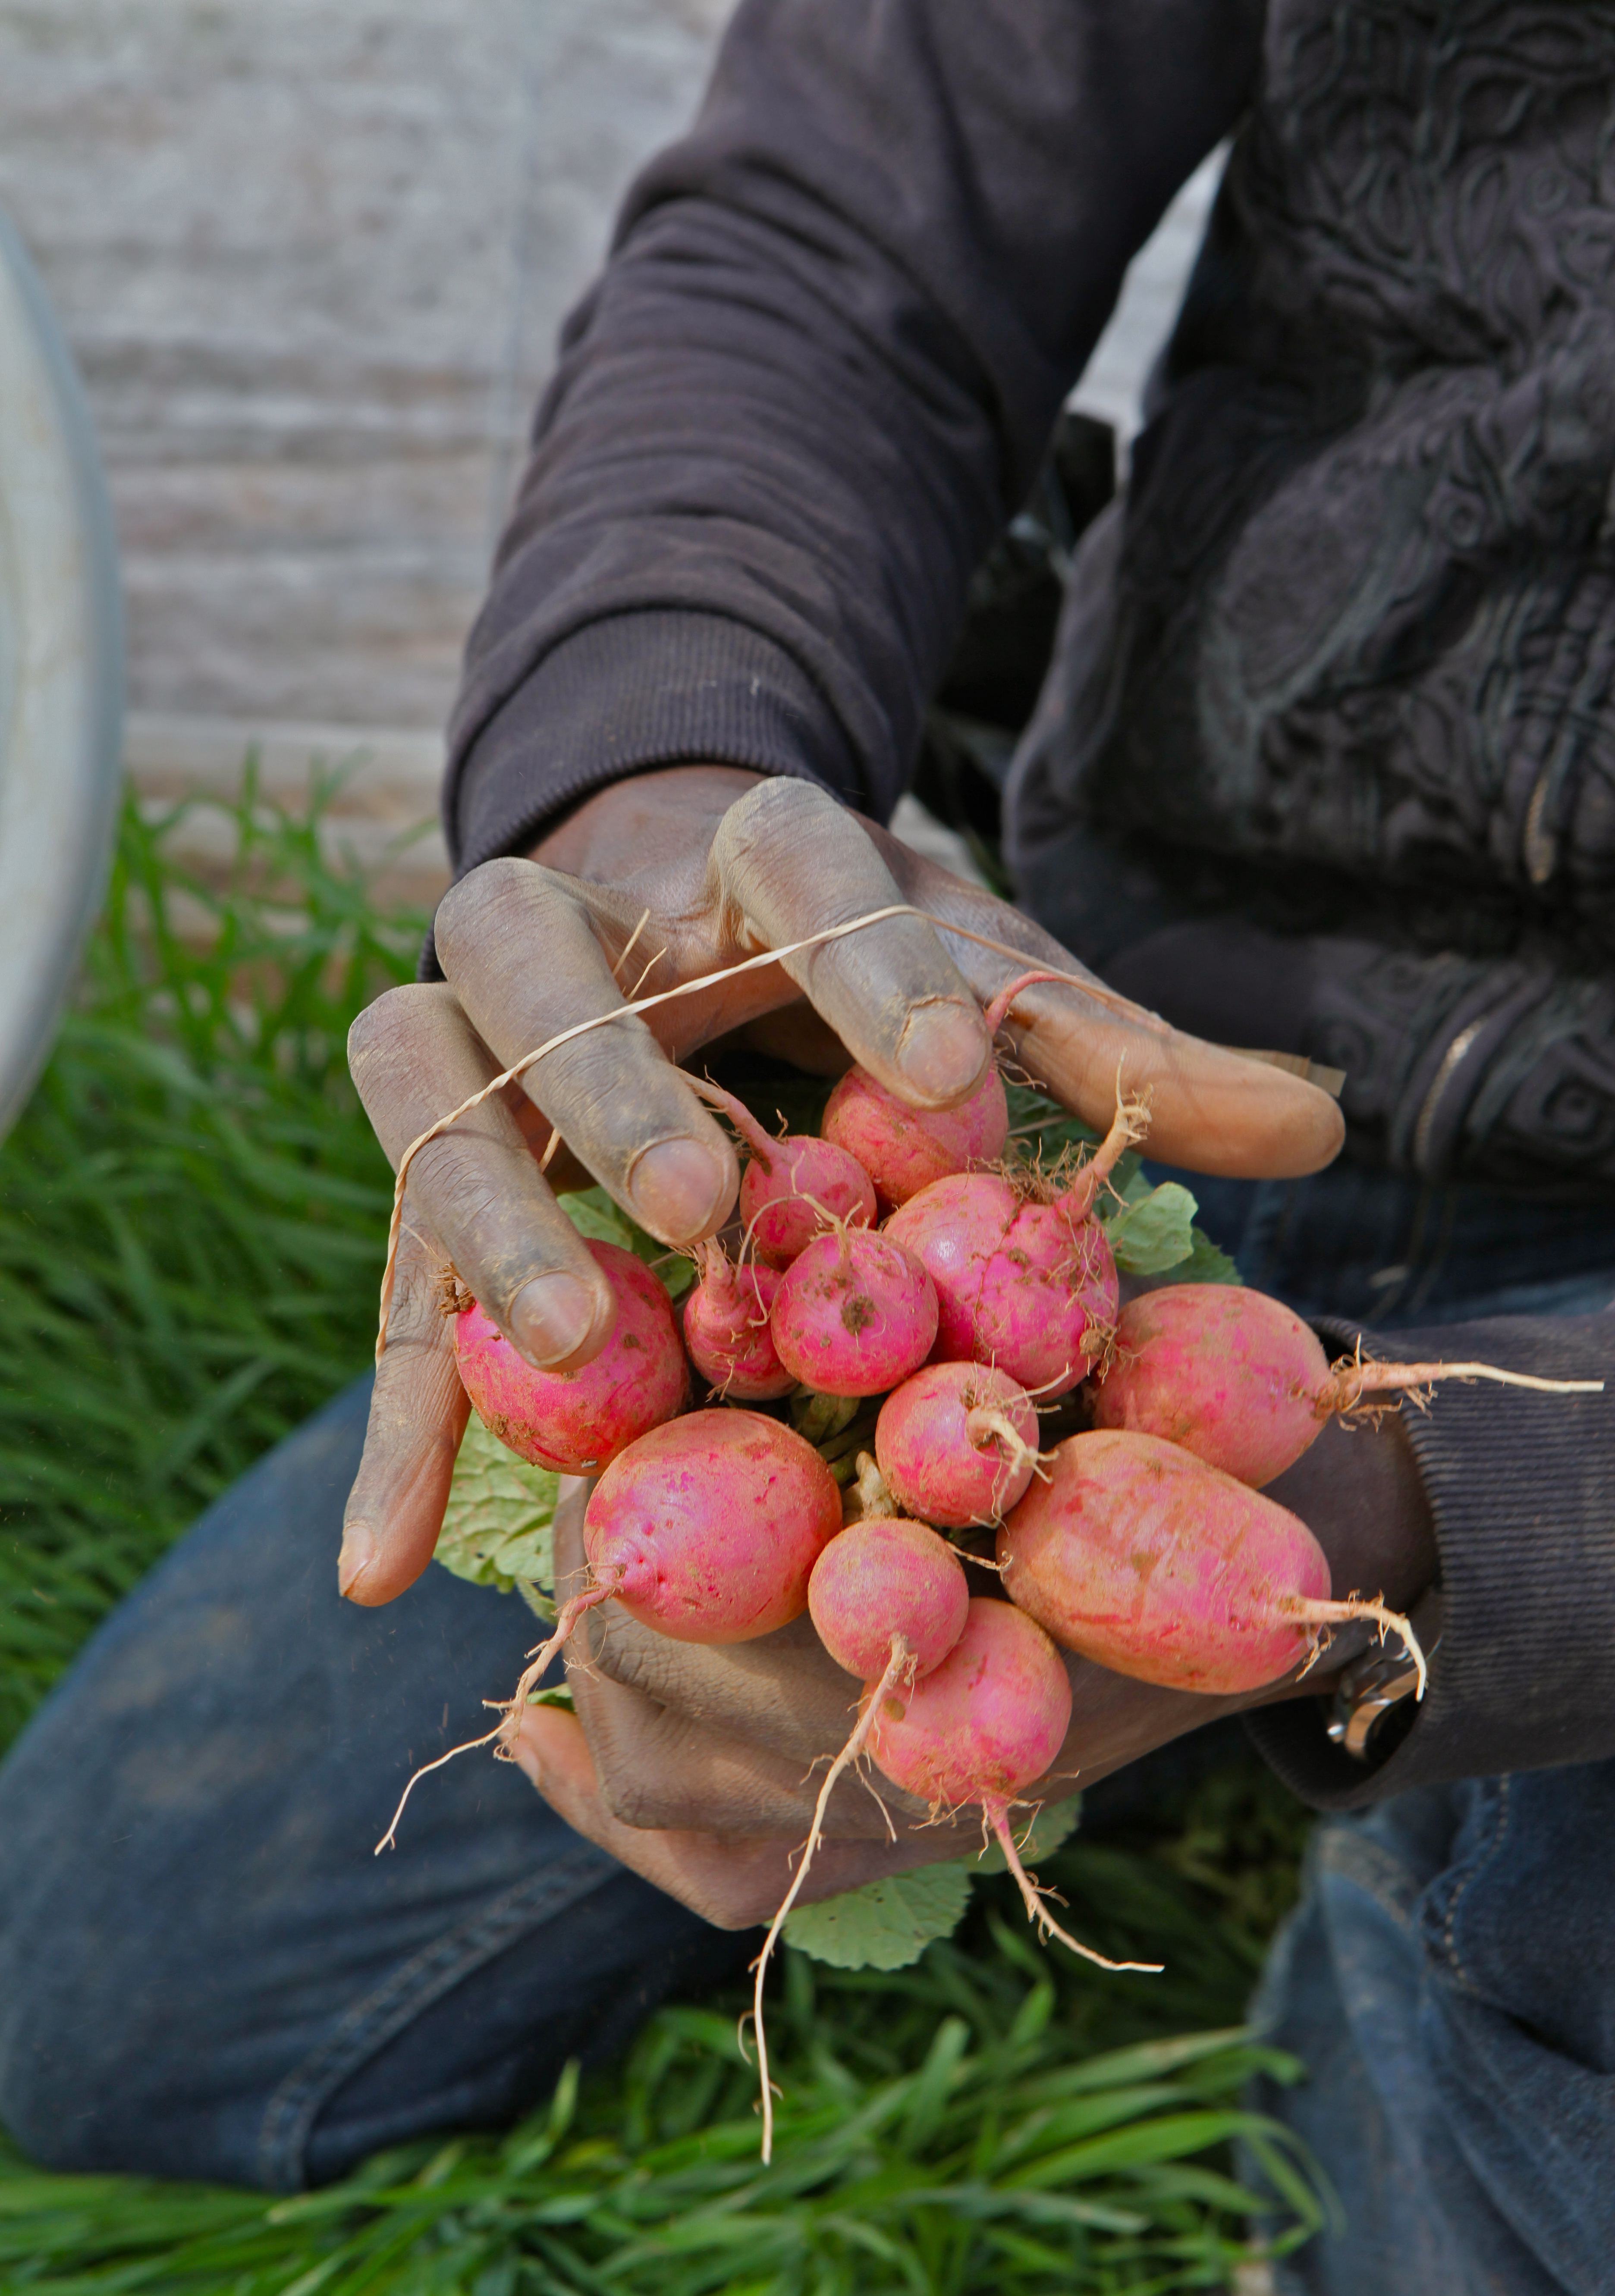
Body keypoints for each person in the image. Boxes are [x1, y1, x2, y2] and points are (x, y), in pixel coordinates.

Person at [3, 2, 1614, 2284]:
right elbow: (830, 232)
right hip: (1086, 1082)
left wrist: (1409, 1525)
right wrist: (661, 796)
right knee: (100, 1985)